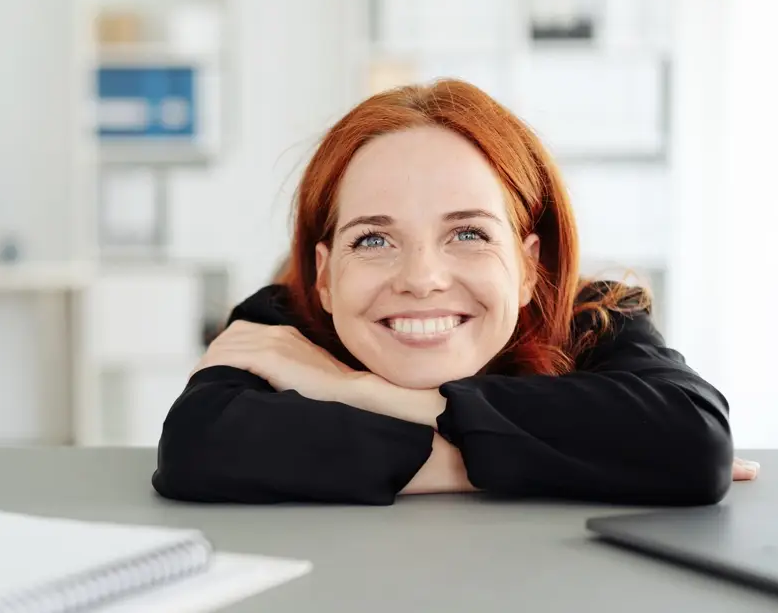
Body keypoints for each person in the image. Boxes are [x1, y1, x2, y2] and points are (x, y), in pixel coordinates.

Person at [152, 79, 759, 506]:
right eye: (371, 240)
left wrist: (353, 390)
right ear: (325, 276)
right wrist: (578, 461)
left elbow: (693, 443)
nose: (421, 277)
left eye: (467, 233)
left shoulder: (593, 316)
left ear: (527, 268)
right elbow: (198, 448)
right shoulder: (282, 324)